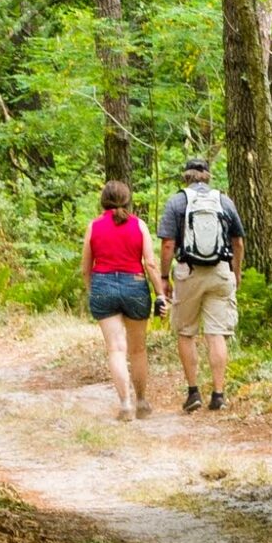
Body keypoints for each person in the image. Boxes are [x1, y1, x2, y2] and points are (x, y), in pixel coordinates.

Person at [156, 157, 245, 412]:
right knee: (216, 334)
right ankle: (218, 394)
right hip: (220, 272)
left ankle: (193, 392)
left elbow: (168, 244)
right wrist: (235, 272)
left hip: (189, 272)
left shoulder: (177, 201)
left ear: (186, 175)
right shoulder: (224, 201)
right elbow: (238, 241)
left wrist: (164, 277)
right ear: (207, 175)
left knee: (186, 332)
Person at [79, 179, 166, 422]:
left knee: (116, 349)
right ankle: (141, 401)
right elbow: (150, 262)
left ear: (103, 201)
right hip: (135, 285)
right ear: (128, 200)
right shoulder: (139, 225)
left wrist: (92, 289)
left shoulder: (93, 226)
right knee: (138, 350)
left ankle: (125, 404)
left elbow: (86, 267)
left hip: (103, 285)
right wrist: (160, 293)